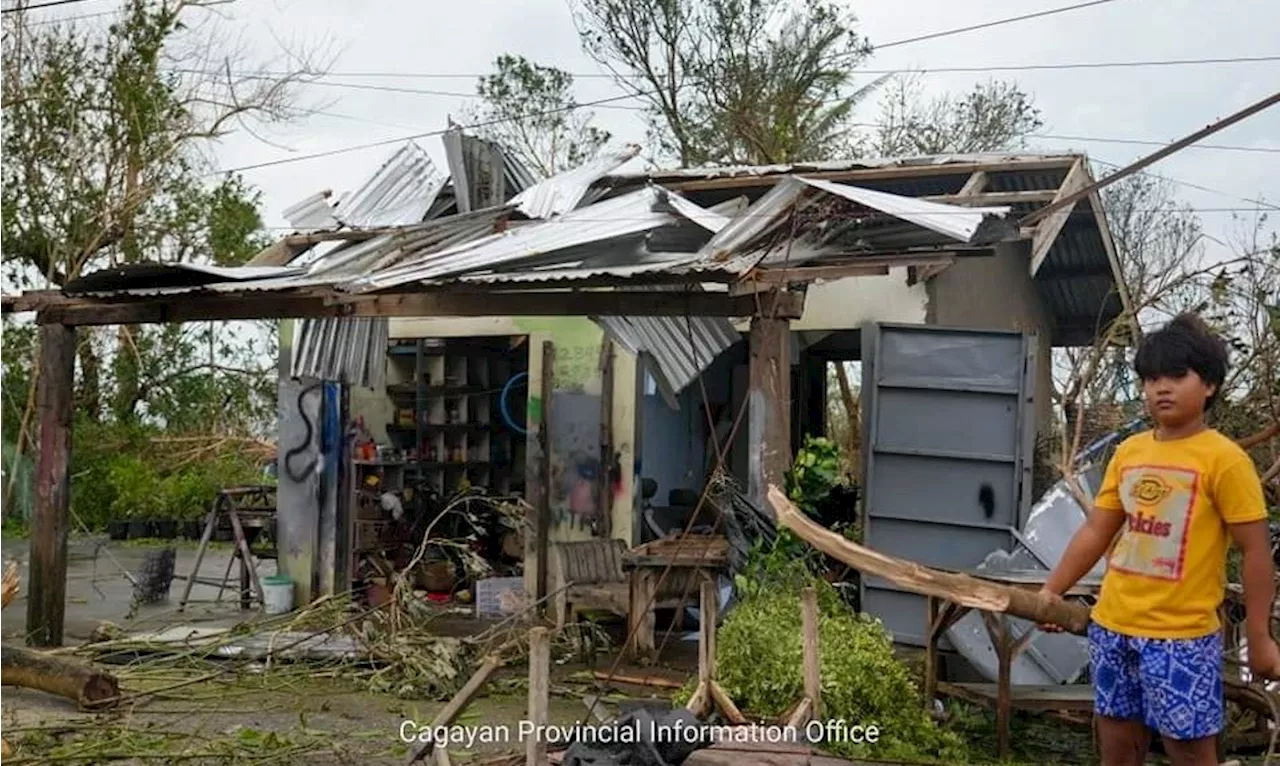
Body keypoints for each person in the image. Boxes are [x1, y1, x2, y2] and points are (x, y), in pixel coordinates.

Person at [1039, 312, 1280, 766]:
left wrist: (1260, 636)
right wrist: (1052, 592)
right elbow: (1097, 530)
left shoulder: (1224, 461)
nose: (1160, 388)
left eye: (1176, 375)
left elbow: (1255, 551)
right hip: (1113, 628)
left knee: (1188, 750)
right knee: (1116, 741)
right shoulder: (1130, 452)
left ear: (1209, 385)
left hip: (1181, 638)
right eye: (1150, 379)